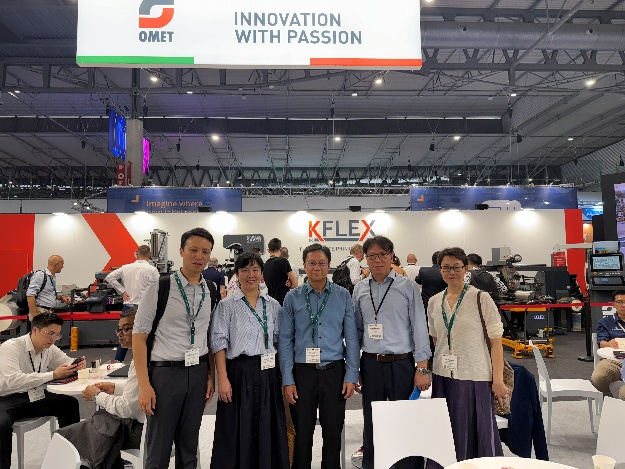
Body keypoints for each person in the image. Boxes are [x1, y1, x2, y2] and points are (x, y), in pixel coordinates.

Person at [133, 227, 216, 469]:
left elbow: (208, 336)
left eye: (205, 252)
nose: (199, 256)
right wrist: (144, 385)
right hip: (165, 375)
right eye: (193, 250)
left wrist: (210, 375)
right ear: (181, 251)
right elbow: (139, 338)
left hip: (198, 373)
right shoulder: (160, 287)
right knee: (158, 448)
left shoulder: (211, 290)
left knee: (189, 447)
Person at [353, 236, 431, 469]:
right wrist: (355, 368)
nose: (377, 260)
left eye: (383, 255)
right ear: (366, 259)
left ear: (391, 257)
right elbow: (356, 330)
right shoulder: (359, 289)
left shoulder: (407, 286)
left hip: (401, 363)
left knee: (405, 419)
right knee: (373, 420)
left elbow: (419, 326)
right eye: (372, 255)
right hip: (370, 363)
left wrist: (422, 368)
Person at [280, 243, 359, 469]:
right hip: (302, 373)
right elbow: (285, 340)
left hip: (334, 371)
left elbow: (351, 338)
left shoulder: (342, 295)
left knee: (333, 431)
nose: (317, 267)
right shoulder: (292, 297)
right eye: (312, 263)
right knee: (302, 432)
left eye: (322, 263)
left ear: (329, 265)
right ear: (304, 266)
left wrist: (351, 375)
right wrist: (287, 379)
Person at [426, 247, 506, 468]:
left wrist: (498, 380)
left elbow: (496, 342)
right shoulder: (434, 302)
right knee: (446, 431)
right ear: (440, 269)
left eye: (456, 267)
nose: (451, 272)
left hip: (475, 376)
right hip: (443, 377)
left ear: (466, 268)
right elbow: (436, 339)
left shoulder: (481, 298)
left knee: (477, 432)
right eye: (446, 268)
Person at [210, 252, 289, 469]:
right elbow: (218, 343)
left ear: (262, 274)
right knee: (237, 427)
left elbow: (280, 342)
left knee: (267, 424)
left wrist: (284, 377)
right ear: (237, 274)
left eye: (255, 270)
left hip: (268, 372)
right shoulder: (227, 305)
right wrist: (222, 379)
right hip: (238, 372)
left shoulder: (273, 305)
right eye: (245, 270)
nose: (250, 275)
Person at [57, 308, 143, 469]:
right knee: (103, 421)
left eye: (126, 329)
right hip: (165, 427)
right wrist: (115, 387)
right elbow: (140, 388)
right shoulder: (154, 356)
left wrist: (97, 396)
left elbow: (125, 409)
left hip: (145, 431)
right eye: (119, 329)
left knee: (102, 423)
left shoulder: (140, 361)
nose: (120, 334)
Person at [0, 312, 83, 469]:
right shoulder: (12, 347)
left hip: (33, 395)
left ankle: (71, 457)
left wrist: (76, 364)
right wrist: (53, 375)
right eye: (50, 333)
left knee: (70, 404)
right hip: (5, 398)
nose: (53, 339)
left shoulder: (49, 348)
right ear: (35, 330)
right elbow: (13, 380)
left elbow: (67, 361)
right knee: (1, 425)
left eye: (57, 335)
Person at [106, 245, 159, 362]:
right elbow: (157, 288)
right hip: (144, 308)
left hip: (128, 307)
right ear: (149, 255)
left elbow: (109, 277)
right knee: (145, 336)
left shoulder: (126, 268)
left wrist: (122, 291)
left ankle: (117, 362)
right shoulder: (152, 270)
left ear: (136, 254)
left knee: (124, 335)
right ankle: (145, 363)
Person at [592, 290, 625, 397]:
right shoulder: (605, 322)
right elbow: (601, 342)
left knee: (623, 393)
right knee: (598, 378)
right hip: (613, 360)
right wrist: (609, 343)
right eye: (619, 302)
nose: (623, 305)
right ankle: (609, 401)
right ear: (613, 304)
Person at [26, 255, 71, 321]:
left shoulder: (52, 277)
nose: (62, 267)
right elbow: (30, 294)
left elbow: (48, 294)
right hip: (40, 312)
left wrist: (61, 297)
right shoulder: (40, 275)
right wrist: (35, 315)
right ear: (57, 264)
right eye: (62, 264)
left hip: (49, 312)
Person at [263, 238, 298, 305]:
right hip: (284, 302)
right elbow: (295, 284)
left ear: (268, 250)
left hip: (271, 303)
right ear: (281, 249)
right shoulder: (283, 261)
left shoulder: (265, 265)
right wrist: (289, 284)